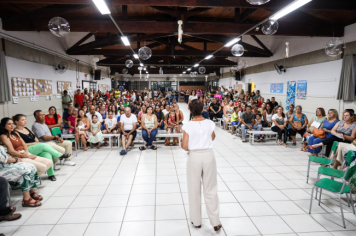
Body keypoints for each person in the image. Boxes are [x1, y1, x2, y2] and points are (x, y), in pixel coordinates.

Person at [181, 99, 222, 232]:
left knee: (194, 188)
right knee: (211, 189)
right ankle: (215, 222)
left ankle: (197, 221)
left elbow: (184, 146)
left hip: (194, 157)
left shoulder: (187, 125)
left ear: (190, 110)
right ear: (203, 109)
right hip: (209, 156)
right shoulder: (209, 123)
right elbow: (213, 137)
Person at [13, 114, 70, 181]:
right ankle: (59, 155)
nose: (25, 121)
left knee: (47, 154)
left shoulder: (27, 128)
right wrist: (35, 143)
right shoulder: (15, 132)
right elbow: (22, 144)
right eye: (22, 120)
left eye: (25, 119)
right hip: (27, 149)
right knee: (43, 145)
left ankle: (51, 174)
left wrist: (36, 142)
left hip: (36, 146)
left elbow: (35, 138)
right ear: (16, 122)